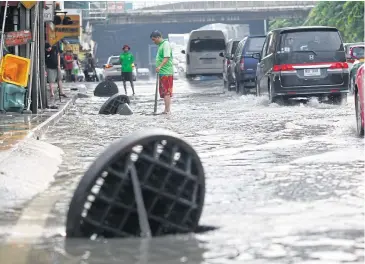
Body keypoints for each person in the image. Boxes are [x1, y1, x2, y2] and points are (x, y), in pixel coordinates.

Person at [150, 30, 174, 114]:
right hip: (162, 72)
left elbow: (166, 57)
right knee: (164, 92)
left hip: (166, 72)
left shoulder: (165, 44)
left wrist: (160, 66)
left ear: (158, 37)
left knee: (167, 92)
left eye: (154, 39)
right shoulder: (160, 45)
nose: (153, 42)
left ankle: (167, 110)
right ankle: (166, 110)